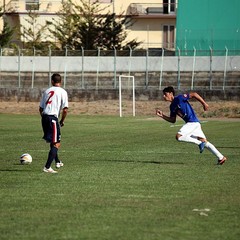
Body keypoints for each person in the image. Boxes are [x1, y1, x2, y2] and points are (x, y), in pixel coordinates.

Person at [156, 86, 227, 165]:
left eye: (165, 94)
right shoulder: (172, 106)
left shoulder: (179, 98)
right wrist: (162, 116)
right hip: (194, 124)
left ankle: (199, 143)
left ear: (171, 93)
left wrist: (204, 103)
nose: (164, 96)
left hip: (192, 122)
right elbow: (173, 120)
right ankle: (221, 157)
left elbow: (194, 94)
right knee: (204, 141)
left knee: (179, 137)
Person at [39, 73, 69, 173]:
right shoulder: (62, 92)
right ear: (61, 82)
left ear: (52, 81)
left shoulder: (47, 91)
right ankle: (47, 167)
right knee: (56, 144)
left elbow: (40, 108)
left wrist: (44, 118)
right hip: (52, 118)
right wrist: (62, 121)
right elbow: (65, 110)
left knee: (53, 141)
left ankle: (57, 161)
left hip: (44, 117)